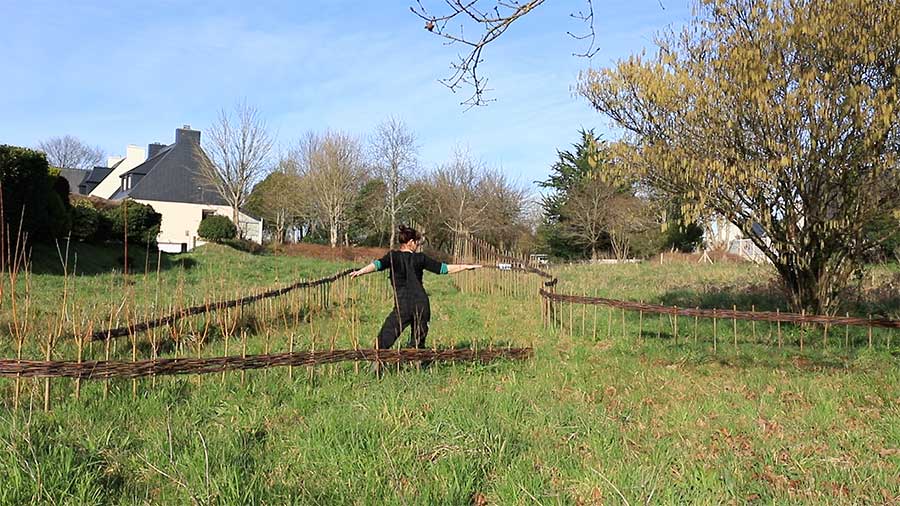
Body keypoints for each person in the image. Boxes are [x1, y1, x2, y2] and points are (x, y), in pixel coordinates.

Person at [350, 225, 481, 372]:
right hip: (421, 304)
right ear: (411, 242)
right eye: (417, 243)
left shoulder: (393, 257)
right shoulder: (420, 259)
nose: (417, 246)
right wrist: (465, 266)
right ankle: (417, 363)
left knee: (387, 335)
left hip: (403, 305)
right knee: (419, 339)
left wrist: (360, 272)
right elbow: (443, 269)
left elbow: (376, 265)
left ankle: (378, 361)